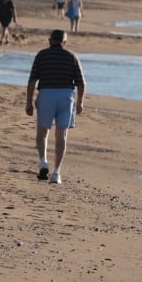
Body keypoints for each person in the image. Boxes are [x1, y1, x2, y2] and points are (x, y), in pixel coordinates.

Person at [24, 28, 85, 185]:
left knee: (43, 131)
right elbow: (81, 82)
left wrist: (29, 101)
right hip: (66, 96)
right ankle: (56, 172)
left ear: (49, 40)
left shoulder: (41, 55)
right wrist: (80, 102)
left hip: (46, 94)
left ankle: (43, 162)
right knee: (61, 134)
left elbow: (32, 81)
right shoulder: (72, 56)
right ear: (64, 42)